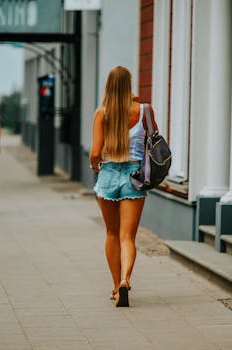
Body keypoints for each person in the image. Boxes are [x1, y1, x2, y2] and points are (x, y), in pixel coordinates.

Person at [89, 66, 157, 307]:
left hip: (108, 173)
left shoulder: (102, 113)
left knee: (111, 234)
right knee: (128, 237)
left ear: (108, 85)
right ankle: (126, 281)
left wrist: (95, 166)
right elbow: (155, 139)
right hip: (135, 175)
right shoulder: (144, 110)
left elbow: (96, 153)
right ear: (129, 85)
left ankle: (115, 285)